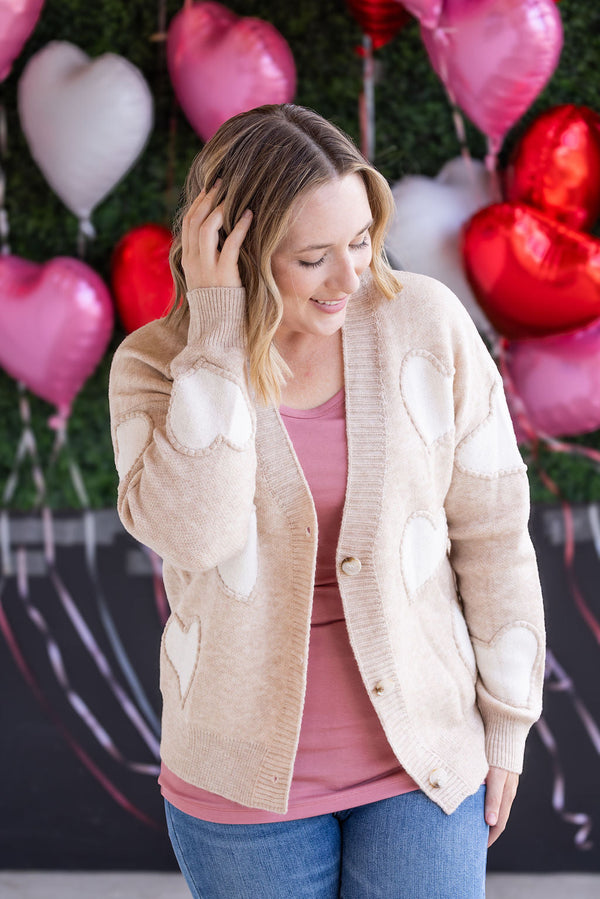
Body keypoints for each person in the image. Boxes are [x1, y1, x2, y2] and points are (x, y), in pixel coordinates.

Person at [108, 104, 545, 898]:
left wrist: (508, 720)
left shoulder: (427, 323)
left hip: (423, 764)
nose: (352, 277)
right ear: (233, 249)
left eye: (360, 241)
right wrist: (215, 335)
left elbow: (494, 532)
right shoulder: (155, 367)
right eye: (314, 257)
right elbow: (195, 534)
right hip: (240, 786)